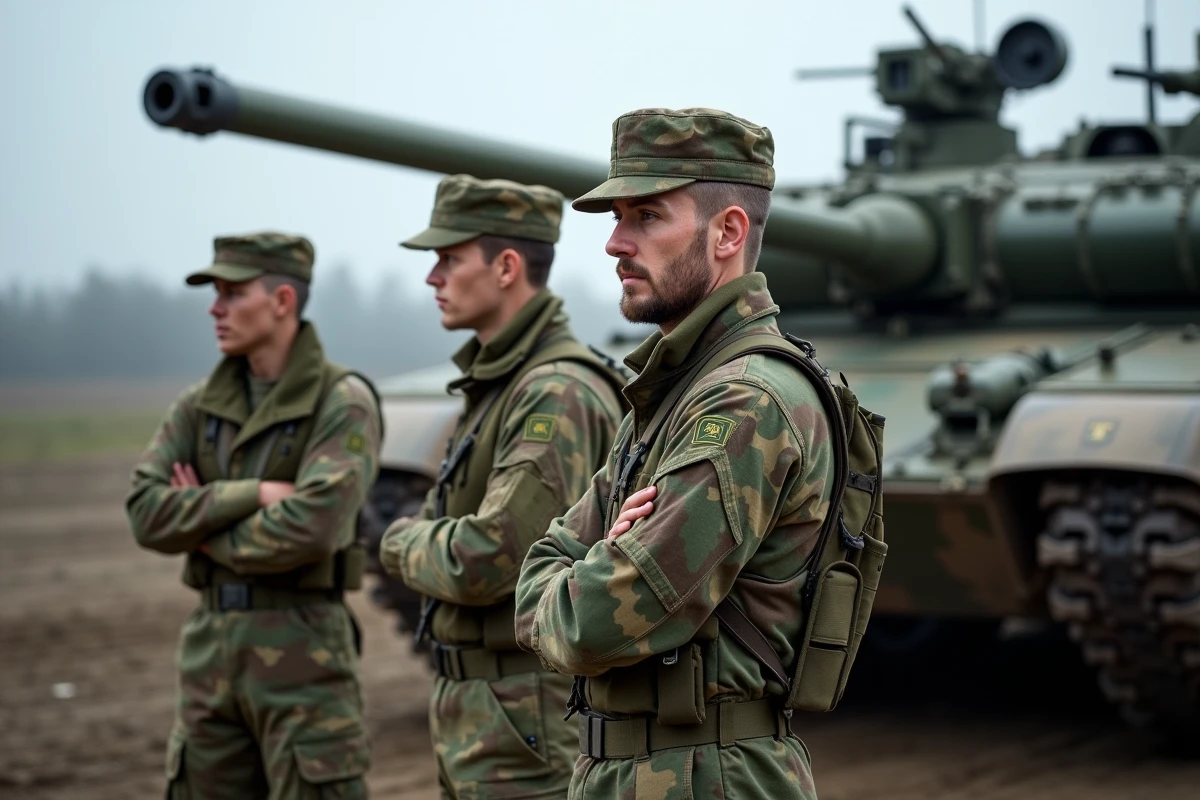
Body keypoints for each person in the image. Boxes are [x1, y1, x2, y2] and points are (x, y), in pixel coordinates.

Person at [514, 108, 837, 798]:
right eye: (616, 217)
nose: (614, 243)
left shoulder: (744, 402)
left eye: (646, 217)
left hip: (706, 773)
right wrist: (591, 568)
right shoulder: (677, 390)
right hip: (644, 769)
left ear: (728, 233)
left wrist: (592, 567)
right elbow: (540, 564)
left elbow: (599, 621)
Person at [378, 174, 626, 800]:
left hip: (524, 709)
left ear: (507, 266)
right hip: (490, 707)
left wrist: (398, 541)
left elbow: (495, 558)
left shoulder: (554, 390)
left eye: (449, 258)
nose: (433, 277)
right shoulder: (505, 379)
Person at [125, 232, 382, 799]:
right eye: (214, 293)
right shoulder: (199, 406)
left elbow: (312, 528)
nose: (215, 309)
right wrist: (254, 494)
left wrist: (199, 528)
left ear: (282, 301)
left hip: (304, 655)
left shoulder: (342, 401)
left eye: (232, 293)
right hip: (208, 657)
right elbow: (145, 512)